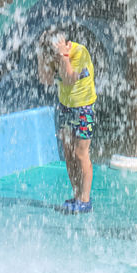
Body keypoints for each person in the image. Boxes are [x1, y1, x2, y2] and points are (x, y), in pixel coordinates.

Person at [37, 29, 95, 214]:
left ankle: (85, 200)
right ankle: (77, 195)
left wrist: (63, 57)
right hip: (65, 108)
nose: (52, 59)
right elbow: (45, 80)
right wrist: (40, 55)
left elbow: (69, 79)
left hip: (83, 109)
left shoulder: (80, 52)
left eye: (52, 55)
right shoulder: (52, 56)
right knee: (69, 154)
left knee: (80, 153)